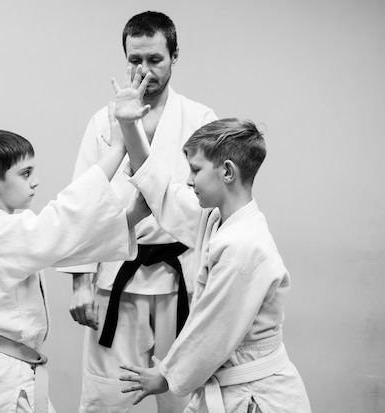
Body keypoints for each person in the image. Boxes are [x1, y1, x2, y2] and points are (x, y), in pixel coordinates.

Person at [112, 70, 312, 412]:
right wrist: (129, 125)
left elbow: (213, 330)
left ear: (228, 172)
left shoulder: (243, 245)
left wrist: (165, 376)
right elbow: (160, 186)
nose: (188, 181)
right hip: (234, 388)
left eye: (195, 170)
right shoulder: (217, 219)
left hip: (257, 396)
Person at [57, 10, 217, 413]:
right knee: (105, 396)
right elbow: (82, 204)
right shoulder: (102, 122)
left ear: (174, 56)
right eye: (134, 60)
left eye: (154, 59)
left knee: (181, 396)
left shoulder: (200, 121)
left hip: (179, 279)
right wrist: (80, 280)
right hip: (116, 279)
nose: (143, 70)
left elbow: (215, 208)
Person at [0, 126, 150, 413]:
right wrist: (118, 150)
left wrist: (131, 217)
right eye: (25, 173)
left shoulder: (7, 229)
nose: (36, 181)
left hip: (4, 367)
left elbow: (68, 247)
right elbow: (63, 218)